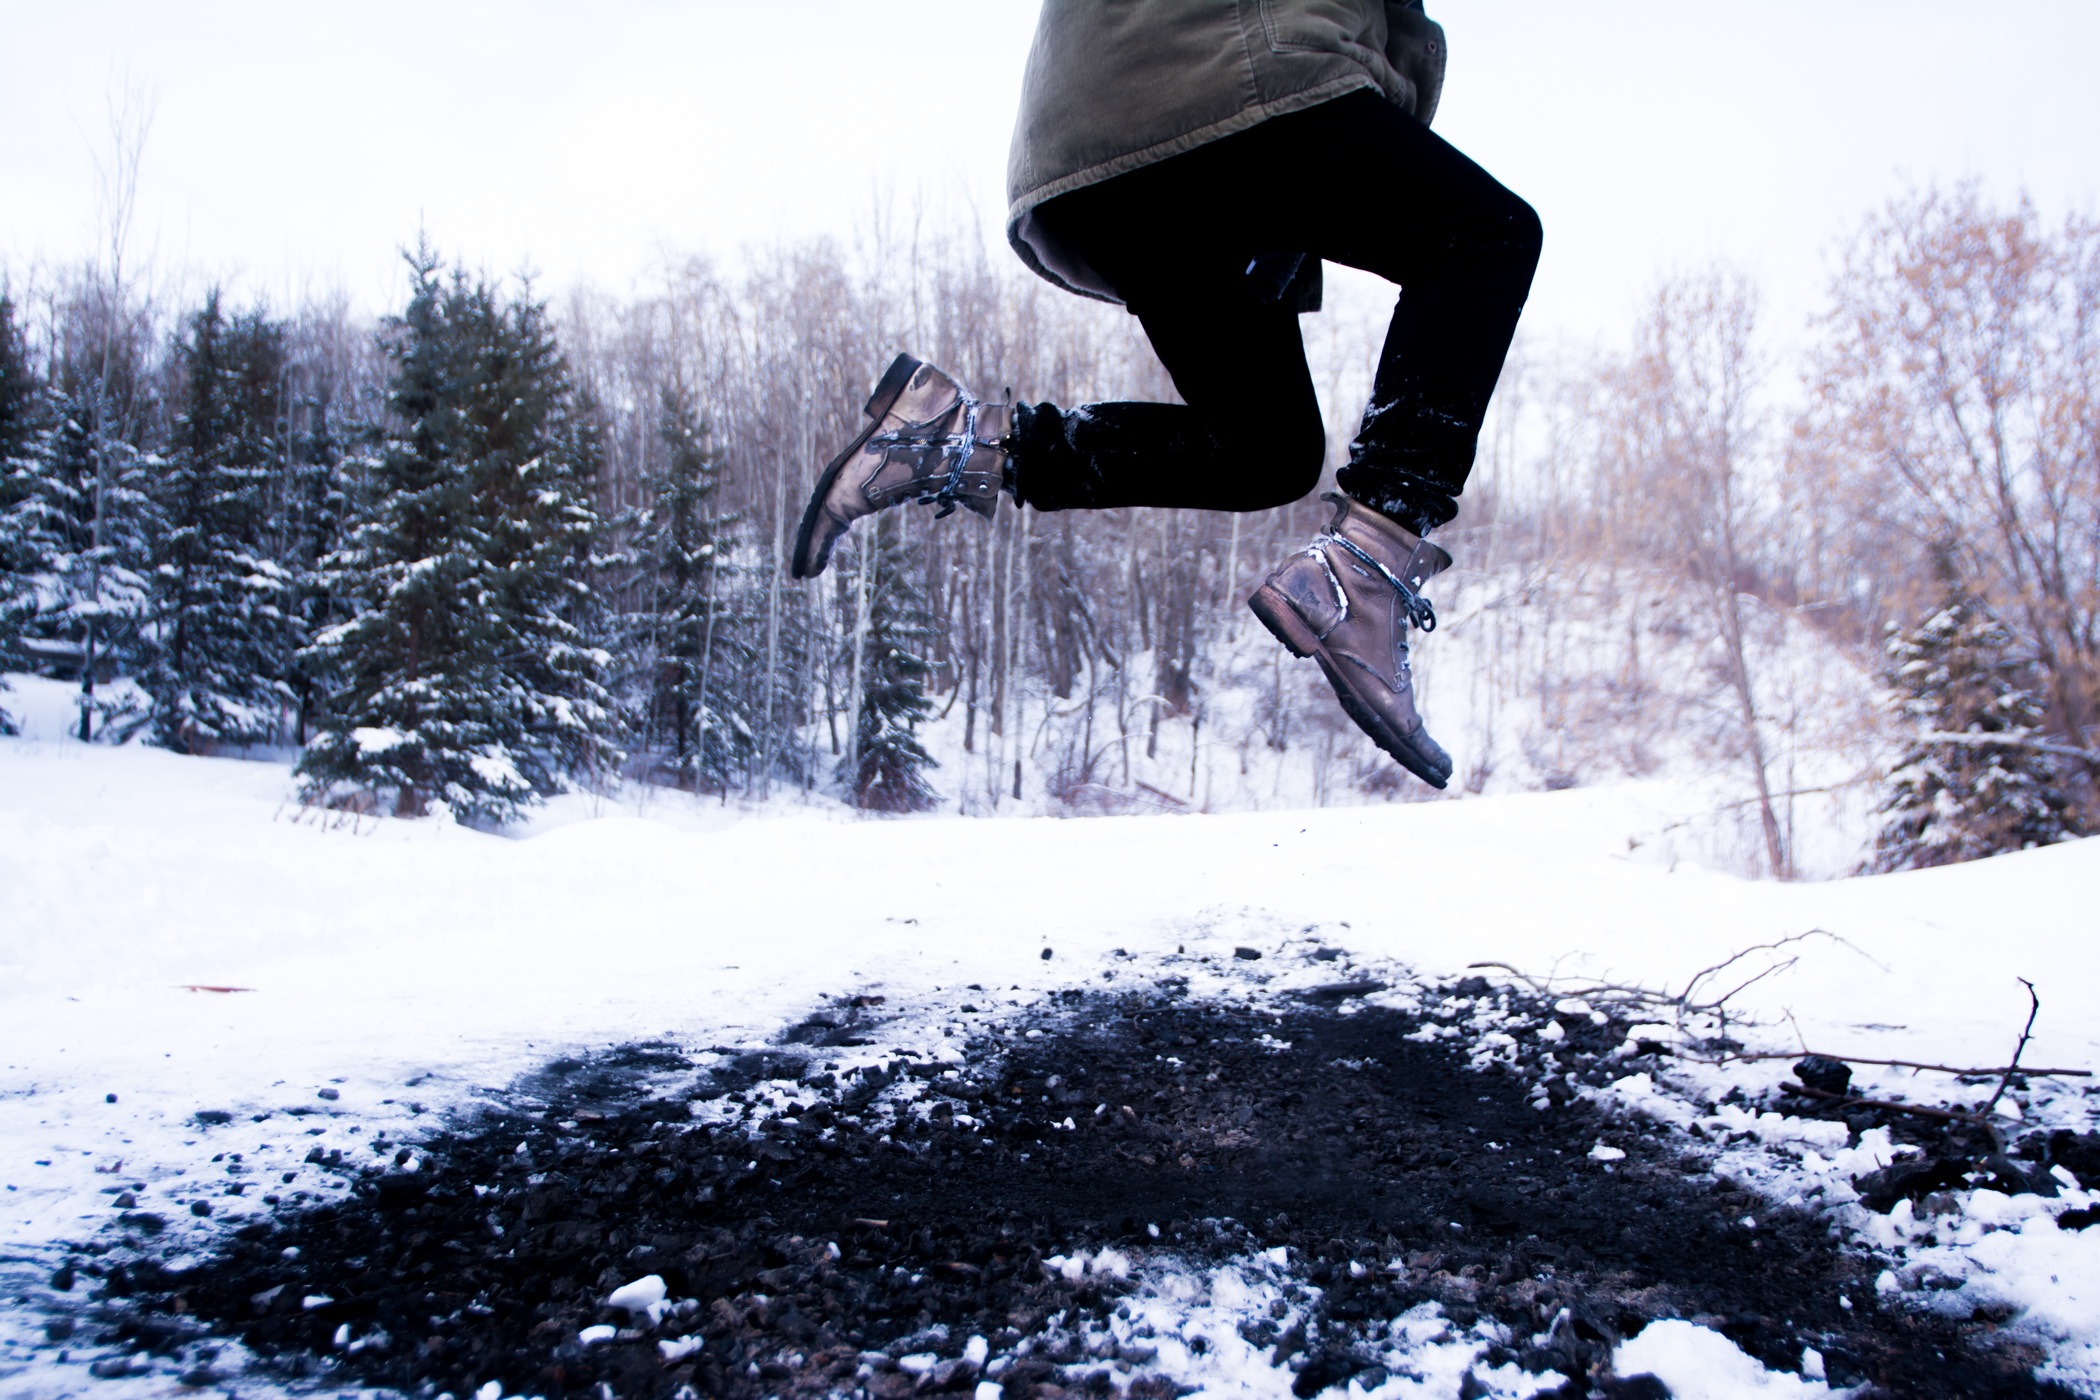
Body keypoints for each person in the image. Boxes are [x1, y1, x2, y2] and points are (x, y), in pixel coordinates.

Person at [791, 0, 1540, 789]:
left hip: (1095, 154)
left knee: (1267, 449)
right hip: (1225, 93)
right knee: (1484, 237)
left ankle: (951, 440)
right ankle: (1365, 570)